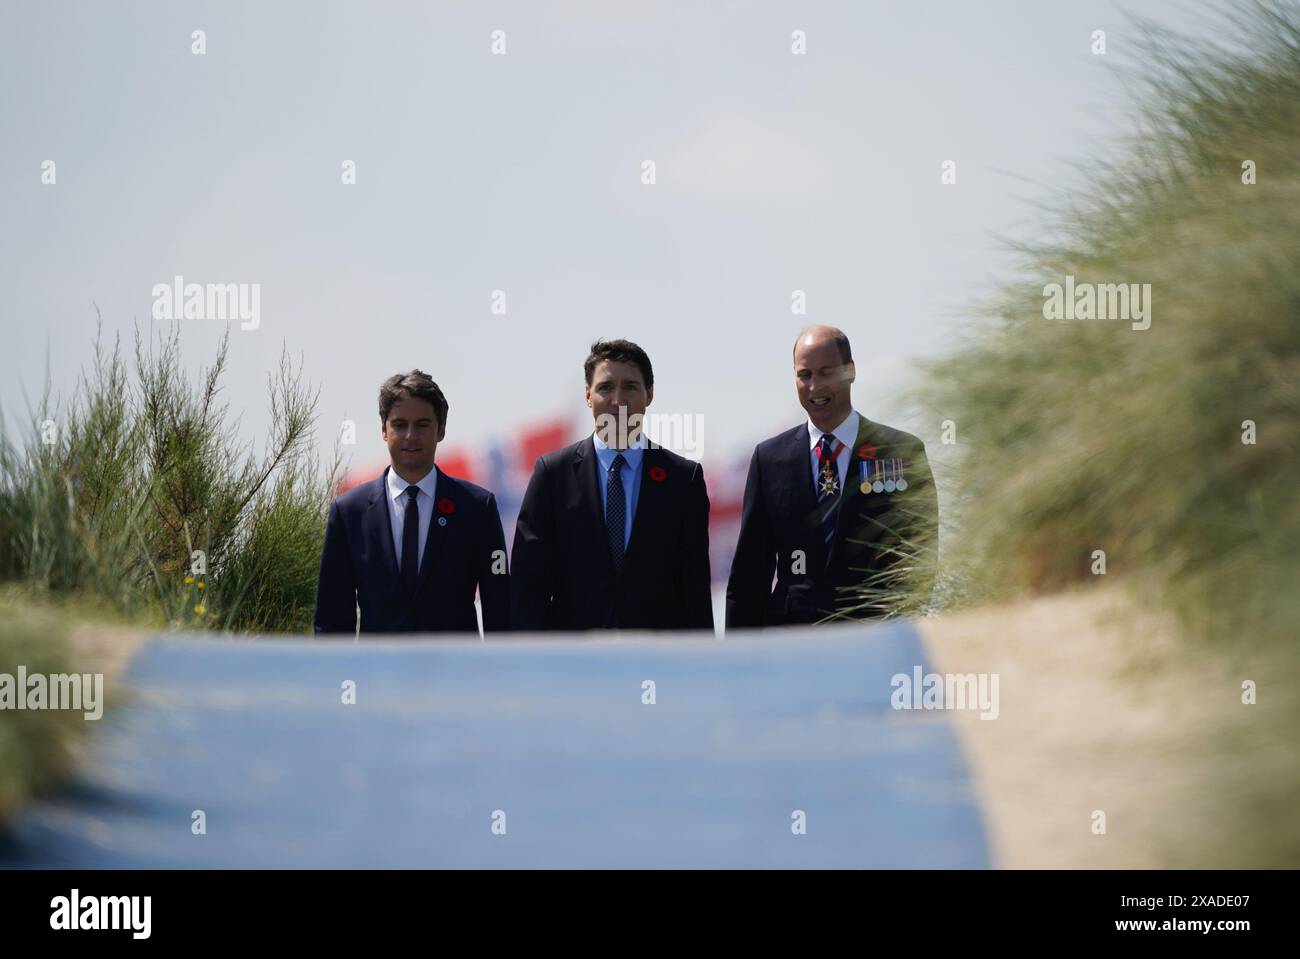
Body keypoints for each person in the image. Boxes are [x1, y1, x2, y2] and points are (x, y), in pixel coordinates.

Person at [726, 325, 938, 628]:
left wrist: (904, 632)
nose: (814, 387)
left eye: (826, 373)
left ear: (850, 371)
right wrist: (741, 662)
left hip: (874, 637)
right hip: (793, 642)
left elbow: (921, 555)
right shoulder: (769, 459)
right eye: (804, 375)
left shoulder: (900, 452)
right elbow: (750, 573)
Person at [511, 339, 713, 631]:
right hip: (575, 664)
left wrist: (700, 668)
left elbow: (694, 588)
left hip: (658, 662)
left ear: (649, 395)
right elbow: (528, 584)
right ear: (587, 395)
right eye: (606, 388)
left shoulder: (683, 480)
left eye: (630, 387)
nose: (618, 400)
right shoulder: (552, 475)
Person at [314, 370, 509, 635]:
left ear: (440, 430)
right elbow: (332, 620)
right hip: (376, 674)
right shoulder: (349, 513)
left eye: (422, 425)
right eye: (399, 424)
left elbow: (501, 610)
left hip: (455, 674)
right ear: (383, 429)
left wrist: (499, 674)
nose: (410, 436)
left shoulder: (477, 508)